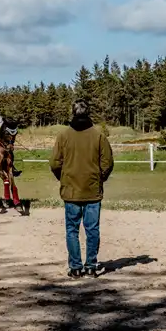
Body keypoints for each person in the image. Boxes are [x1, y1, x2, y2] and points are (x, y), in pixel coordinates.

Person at [48, 98, 114, 279]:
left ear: (72, 112)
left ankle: (76, 267)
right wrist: (99, 179)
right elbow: (107, 163)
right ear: (88, 112)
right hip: (92, 191)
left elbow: (54, 163)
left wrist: (63, 178)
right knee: (92, 229)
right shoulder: (99, 135)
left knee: (72, 229)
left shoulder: (63, 136)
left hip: (71, 191)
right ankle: (91, 266)